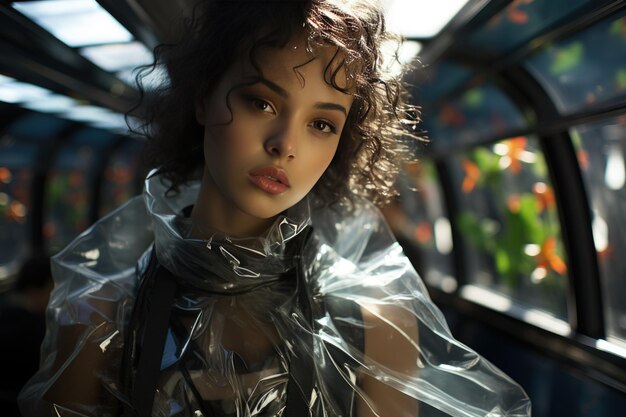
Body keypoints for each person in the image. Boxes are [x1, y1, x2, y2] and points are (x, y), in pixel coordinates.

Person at [19, 1, 531, 416]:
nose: (285, 144)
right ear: (203, 98)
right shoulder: (99, 317)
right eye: (261, 102)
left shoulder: (376, 322)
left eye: (321, 124)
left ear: (342, 145)